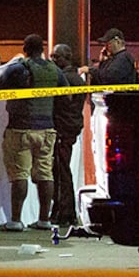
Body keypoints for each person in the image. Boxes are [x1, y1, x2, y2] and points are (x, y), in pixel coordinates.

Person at [0, 34, 69, 232]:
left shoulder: (19, 68)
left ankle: (16, 220)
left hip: (21, 129)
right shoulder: (55, 70)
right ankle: (44, 219)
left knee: (20, 174)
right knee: (45, 174)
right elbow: (66, 95)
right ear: (42, 49)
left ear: (25, 49)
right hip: (46, 129)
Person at [49, 43, 86, 227]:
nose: (53, 60)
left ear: (65, 58)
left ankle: (65, 212)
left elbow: (63, 107)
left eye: (56, 57)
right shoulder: (76, 78)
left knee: (61, 170)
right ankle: (63, 211)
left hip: (63, 130)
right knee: (62, 169)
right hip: (71, 129)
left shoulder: (65, 79)